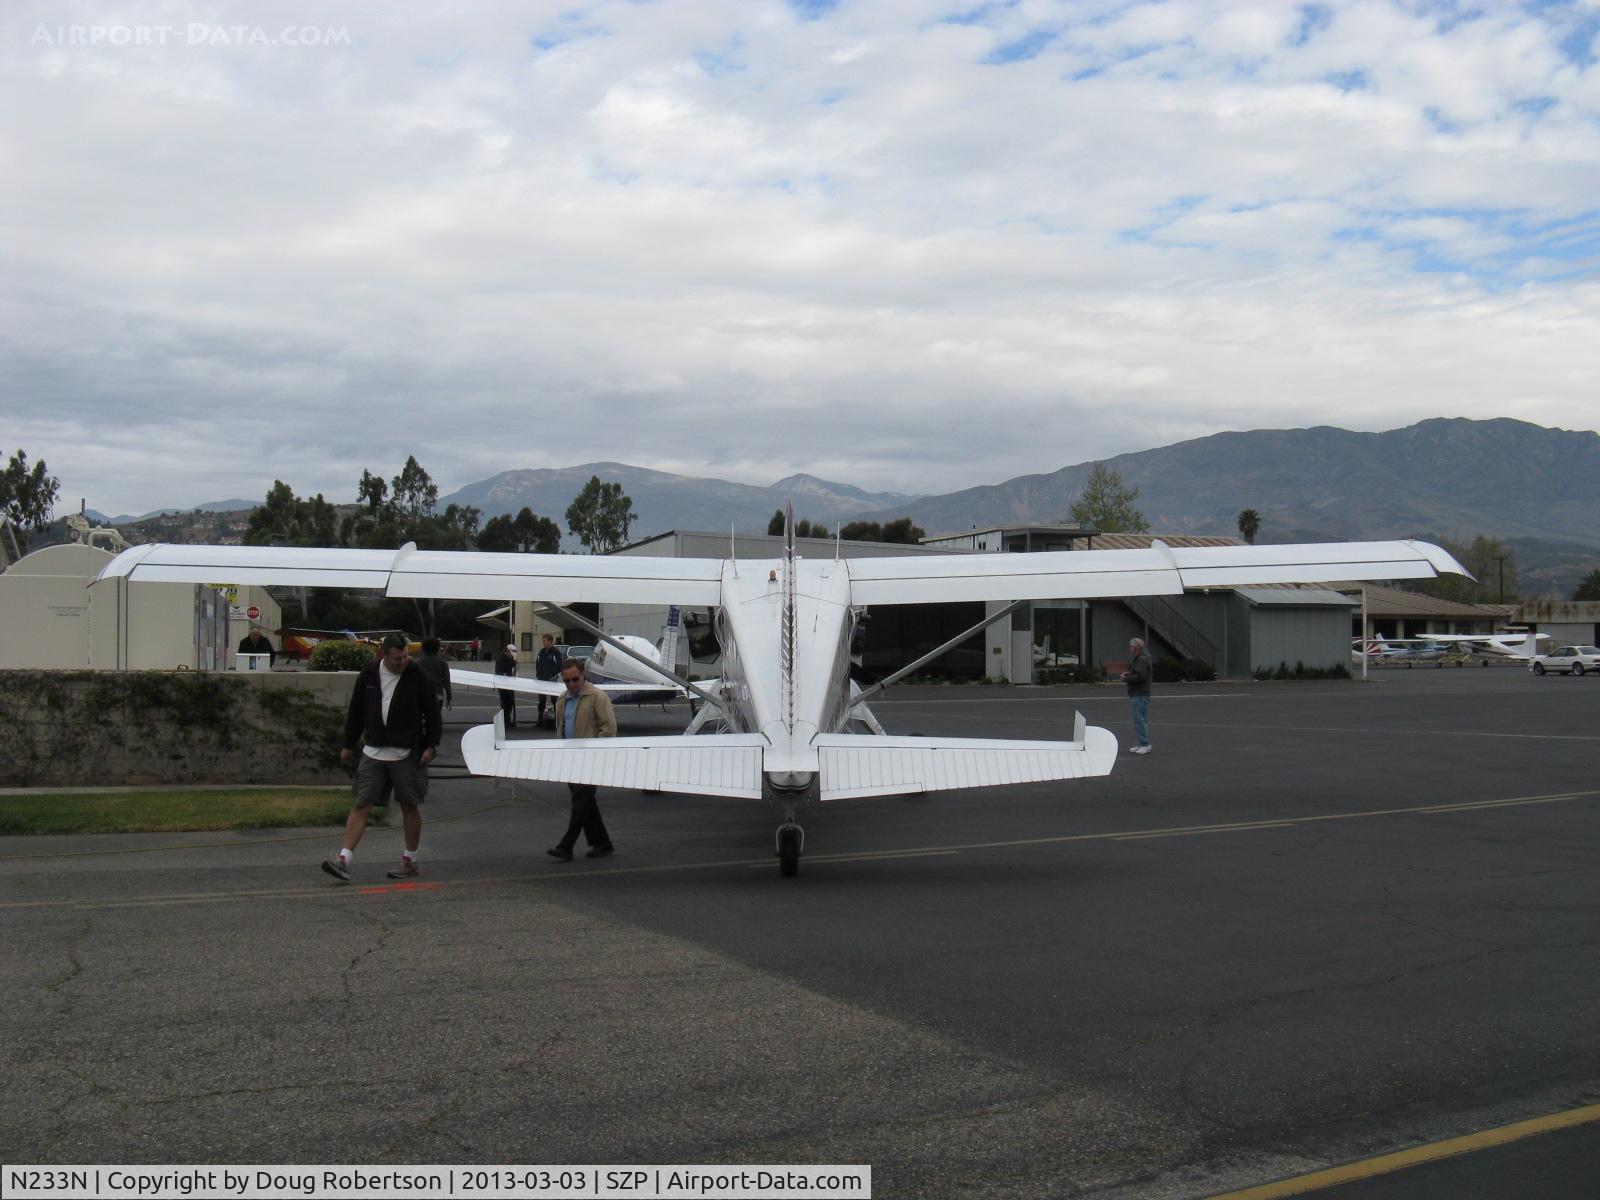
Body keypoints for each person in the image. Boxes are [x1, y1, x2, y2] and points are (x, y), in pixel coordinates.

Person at [323, 633, 441, 882]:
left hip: (407, 751)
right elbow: (356, 709)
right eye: (398, 658)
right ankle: (344, 858)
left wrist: (431, 745)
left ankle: (410, 859)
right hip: (374, 749)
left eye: (406, 656)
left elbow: (432, 711)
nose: (403, 662)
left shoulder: (418, 675)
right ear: (383, 655)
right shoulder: (368, 674)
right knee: (361, 803)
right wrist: (348, 744)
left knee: (409, 804)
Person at [546, 657, 617, 861]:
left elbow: (609, 728)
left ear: (583, 675)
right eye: (566, 681)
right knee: (586, 805)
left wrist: (595, 752)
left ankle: (566, 846)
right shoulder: (562, 699)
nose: (571, 685)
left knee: (580, 804)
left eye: (575, 680)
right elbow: (561, 730)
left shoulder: (597, 697)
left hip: (590, 760)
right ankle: (603, 842)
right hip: (569, 760)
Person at [1122, 637, 1154, 754]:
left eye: (1131, 646)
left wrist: (1127, 678)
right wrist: (1129, 674)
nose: (1129, 648)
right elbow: (1138, 673)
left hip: (1140, 693)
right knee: (1141, 718)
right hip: (1140, 693)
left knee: (1138, 719)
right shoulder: (1141, 658)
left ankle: (1145, 744)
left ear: (1136, 648)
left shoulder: (1141, 659)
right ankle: (1143, 743)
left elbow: (1141, 676)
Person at [415, 636, 453, 717]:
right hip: (438, 696)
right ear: (438, 649)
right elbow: (447, 682)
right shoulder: (443, 663)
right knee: (434, 719)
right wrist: (449, 699)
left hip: (422, 696)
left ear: (423, 649)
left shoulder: (418, 663)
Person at [534, 633, 563, 727]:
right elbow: (537, 664)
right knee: (541, 700)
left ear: (550, 641)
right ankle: (540, 720)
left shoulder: (556, 653)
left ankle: (557, 720)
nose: (543, 643)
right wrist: (538, 674)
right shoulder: (541, 652)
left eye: (545, 641)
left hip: (551, 680)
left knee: (554, 700)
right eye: (543, 641)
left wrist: (552, 676)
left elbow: (559, 666)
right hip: (541, 679)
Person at [494, 640, 519, 728]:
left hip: (510, 684)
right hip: (502, 684)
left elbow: (513, 670)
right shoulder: (501, 659)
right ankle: (505, 721)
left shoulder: (511, 659)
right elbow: (499, 673)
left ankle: (507, 720)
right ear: (507, 651)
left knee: (510, 702)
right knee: (505, 702)